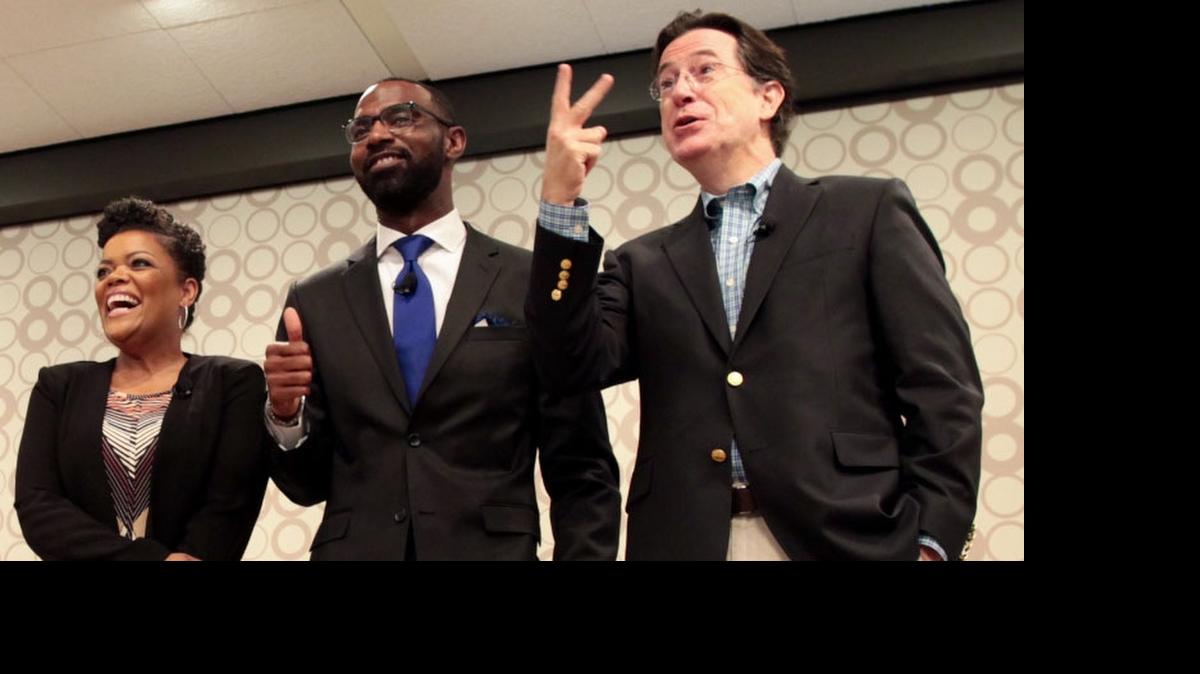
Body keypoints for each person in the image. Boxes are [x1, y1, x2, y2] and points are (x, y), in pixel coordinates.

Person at [528, 11, 984, 560]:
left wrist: (933, 539)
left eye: (703, 71)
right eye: (667, 83)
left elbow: (944, 390)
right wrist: (559, 208)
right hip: (687, 540)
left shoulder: (865, 212)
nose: (680, 93)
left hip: (851, 536)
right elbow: (567, 366)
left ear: (768, 97)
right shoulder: (641, 262)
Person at [263, 78, 621, 560]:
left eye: (402, 117)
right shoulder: (314, 300)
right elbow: (305, 486)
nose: (377, 135)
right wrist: (286, 417)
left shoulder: (527, 280)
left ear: (454, 141)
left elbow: (582, 466)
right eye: (362, 128)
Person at [15, 197, 270, 560]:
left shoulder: (233, 383)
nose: (115, 278)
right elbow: (38, 506)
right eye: (104, 271)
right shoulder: (59, 388)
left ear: (187, 290)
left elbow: (231, 503)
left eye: (139, 264)